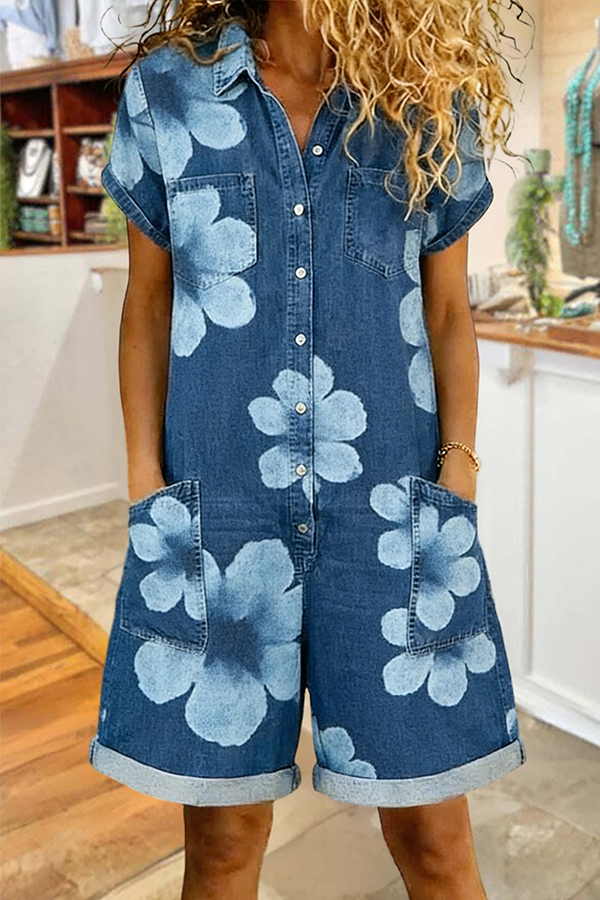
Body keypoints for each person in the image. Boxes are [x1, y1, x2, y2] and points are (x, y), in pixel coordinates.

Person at [89, 1, 528, 898]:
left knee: (434, 839)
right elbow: (148, 303)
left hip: (392, 523)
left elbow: (448, 311)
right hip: (217, 518)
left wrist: (460, 470)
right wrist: (143, 482)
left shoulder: (427, 97)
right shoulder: (167, 90)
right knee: (223, 843)